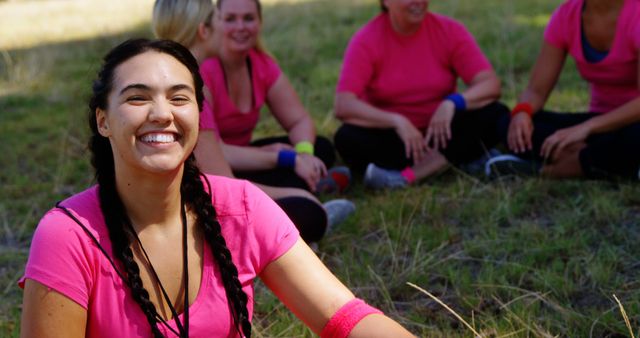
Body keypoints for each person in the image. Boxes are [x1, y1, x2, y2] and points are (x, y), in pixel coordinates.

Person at [19, 39, 415, 338]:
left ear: (198, 114)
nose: (162, 113)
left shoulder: (240, 207)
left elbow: (344, 317)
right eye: (137, 98)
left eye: (179, 97)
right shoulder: (67, 237)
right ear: (103, 121)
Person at [151, 0, 354, 242]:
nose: (233, 28)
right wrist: (297, 190)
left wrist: (297, 156)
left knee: (317, 150)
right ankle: (310, 198)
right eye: (224, 19)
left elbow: (298, 119)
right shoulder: (191, 87)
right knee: (308, 212)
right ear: (204, 30)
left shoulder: (175, 76)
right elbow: (226, 189)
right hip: (185, 206)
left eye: (248, 18)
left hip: (190, 190)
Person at [334, 0, 509, 189]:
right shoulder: (366, 40)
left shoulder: (449, 31)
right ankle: (459, 160)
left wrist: (453, 102)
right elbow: (343, 104)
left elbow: (490, 84)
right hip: (397, 140)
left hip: (445, 132)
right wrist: (397, 121)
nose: (417, 2)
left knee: (495, 113)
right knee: (347, 138)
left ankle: (405, 177)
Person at [199, 0, 351, 194]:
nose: (240, 27)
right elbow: (215, 153)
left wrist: (304, 154)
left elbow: (299, 120)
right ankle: (309, 185)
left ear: (260, 22)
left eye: (248, 18)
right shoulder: (205, 70)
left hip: (248, 158)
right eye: (230, 19)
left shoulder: (261, 64)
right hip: (217, 164)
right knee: (288, 171)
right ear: (216, 23)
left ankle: (307, 179)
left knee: (320, 147)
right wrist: (278, 156)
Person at [490, 0, 640, 179]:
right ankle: (605, 161)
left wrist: (588, 127)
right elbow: (536, 91)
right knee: (509, 123)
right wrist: (523, 112)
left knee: (635, 135)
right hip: (599, 126)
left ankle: (545, 171)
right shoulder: (566, 15)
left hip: (631, 123)